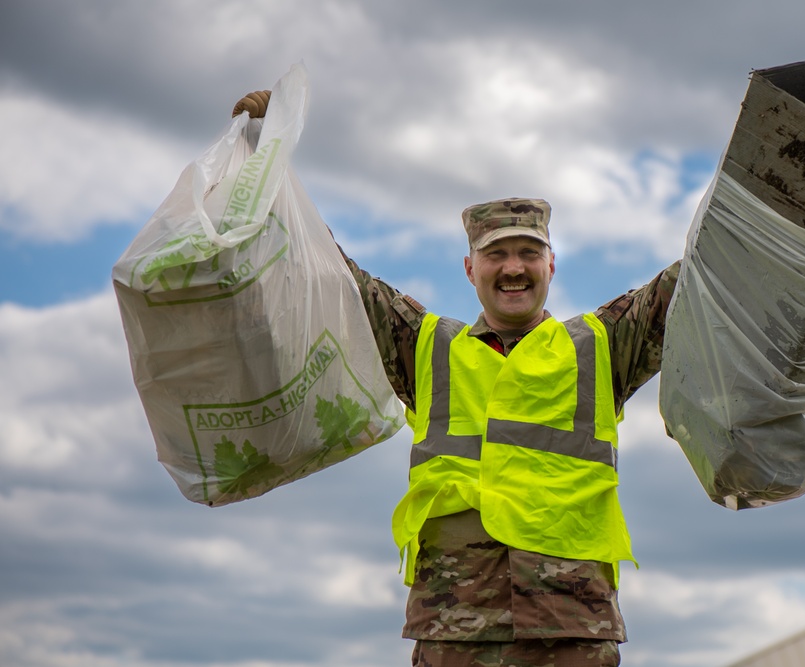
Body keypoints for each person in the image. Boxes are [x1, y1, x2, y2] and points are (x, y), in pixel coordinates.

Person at [234, 92, 681, 667]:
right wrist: (264, 155)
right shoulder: (426, 346)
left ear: (551, 265)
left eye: (528, 252)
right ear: (471, 269)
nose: (513, 267)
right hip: (455, 629)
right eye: (496, 255)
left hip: (572, 627)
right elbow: (328, 270)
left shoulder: (600, 345)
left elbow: (689, 282)